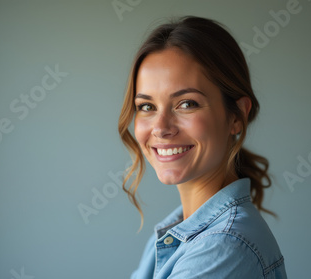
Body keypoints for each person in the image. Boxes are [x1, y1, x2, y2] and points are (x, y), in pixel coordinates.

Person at [118, 15, 287, 279]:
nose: (161, 128)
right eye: (147, 107)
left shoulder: (224, 247)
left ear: (236, 116)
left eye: (187, 103)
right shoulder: (174, 234)